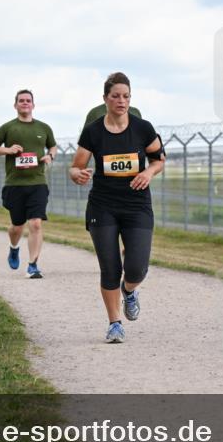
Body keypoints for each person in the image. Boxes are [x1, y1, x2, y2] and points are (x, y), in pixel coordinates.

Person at [70, 72, 165, 343]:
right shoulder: (93, 131)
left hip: (137, 205)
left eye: (126, 96)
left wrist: (149, 173)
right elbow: (76, 166)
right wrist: (77, 174)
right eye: (115, 96)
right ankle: (114, 323)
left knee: (137, 268)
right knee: (109, 267)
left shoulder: (143, 128)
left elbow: (158, 159)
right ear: (105, 99)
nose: (121, 101)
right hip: (103, 205)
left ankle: (129, 289)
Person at [0, 89, 58, 279]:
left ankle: (33, 265)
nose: (25, 103)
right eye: (21, 101)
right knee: (16, 226)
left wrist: (50, 155)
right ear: (15, 105)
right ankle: (13, 247)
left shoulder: (43, 128)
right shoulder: (8, 127)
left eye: (28, 100)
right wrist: (8, 150)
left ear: (33, 105)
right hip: (14, 184)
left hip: (37, 182)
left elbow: (53, 146)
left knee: (35, 223)